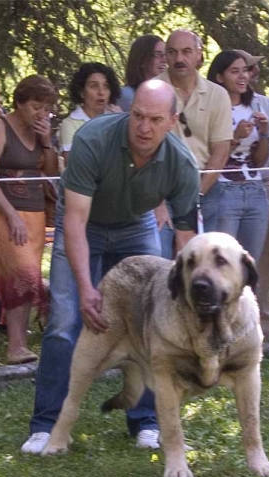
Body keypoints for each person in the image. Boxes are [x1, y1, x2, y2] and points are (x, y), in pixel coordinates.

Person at [21, 80, 200, 454]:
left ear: (172, 121)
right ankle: (47, 426)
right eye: (137, 116)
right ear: (128, 113)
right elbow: (74, 220)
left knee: (154, 322)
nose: (144, 127)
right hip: (83, 224)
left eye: (154, 119)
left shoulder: (182, 165)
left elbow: (186, 240)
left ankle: (146, 422)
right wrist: (88, 287)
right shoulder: (93, 138)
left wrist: (183, 296)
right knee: (64, 322)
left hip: (136, 226)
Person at [0, 75, 58, 364]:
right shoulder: (1, 127)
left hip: (35, 214)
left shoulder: (39, 132)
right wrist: (11, 215)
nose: (41, 113)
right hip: (6, 214)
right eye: (36, 106)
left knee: (25, 278)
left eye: (46, 108)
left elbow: (50, 171)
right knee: (22, 274)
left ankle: (19, 340)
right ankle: (16, 347)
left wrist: (46, 141)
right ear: (20, 102)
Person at [158, 29, 232, 255]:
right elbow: (140, 148)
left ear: (199, 55)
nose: (179, 59)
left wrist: (196, 194)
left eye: (186, 52)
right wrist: (156, 199)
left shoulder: (218, 95)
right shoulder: (153, 90)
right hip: (158, 190)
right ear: (166, 57)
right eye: (172, 52)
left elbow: (221, 150)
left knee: (204, 262)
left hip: (205, 189)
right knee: (157, 258)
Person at [234, 49, 269, 342]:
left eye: (252, 68)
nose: (249, 73)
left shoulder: (267, 104)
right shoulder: (218, 102)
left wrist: (264, 135)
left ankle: (267, 322)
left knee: (263, 258)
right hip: (226, 185)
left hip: (262, 183)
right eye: (242, 68)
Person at [206, 50, 269, 264]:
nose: (243, 76)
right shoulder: (211, 108)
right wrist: (234, 137)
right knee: (222, 262)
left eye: (245, 70)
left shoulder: (255, 105)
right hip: (223, 192)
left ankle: (246, 299)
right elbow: (209, 156)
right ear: (219, 77)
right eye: (235, 71)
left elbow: (260, 161)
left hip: (255, 190)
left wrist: (264, 134)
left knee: (249, 264)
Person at [60, 62, 122, 164]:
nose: (101, 92)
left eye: (106, 86)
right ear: (82, 92)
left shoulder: (117, 119)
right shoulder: (69, 124)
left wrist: (123, 123)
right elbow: (74, 164)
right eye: (94, 86)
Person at [118, 34, 167, 111]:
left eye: (165, 55)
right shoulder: (126, 95)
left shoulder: (168, 94)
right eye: (158, 54)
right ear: (142, 60)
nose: (164, 60)